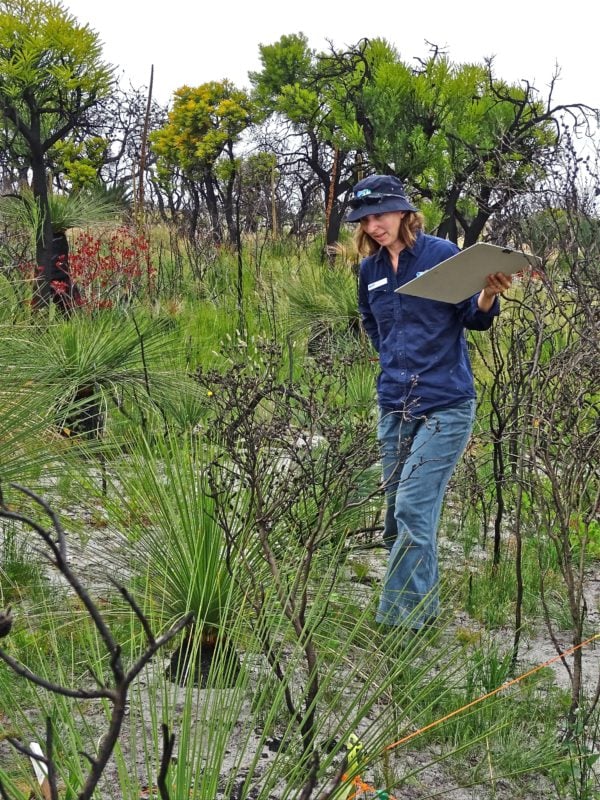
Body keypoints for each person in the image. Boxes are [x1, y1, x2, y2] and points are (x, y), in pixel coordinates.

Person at [348, 174, 512, 631]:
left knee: (413, 508)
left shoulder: (441, 255)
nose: (373, 226)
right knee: (396, 517)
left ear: (403, 212)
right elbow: (370, 319)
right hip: (395, 402)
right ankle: (423, 607)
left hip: (445, 403)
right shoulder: (370, 270)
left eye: (379, 215)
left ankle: (403, 624)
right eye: (364, 220)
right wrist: (390, 356)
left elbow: (473, 317)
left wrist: (487, 293)